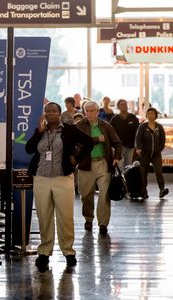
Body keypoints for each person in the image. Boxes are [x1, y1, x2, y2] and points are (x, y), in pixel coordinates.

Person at [25, 102, 93, 272]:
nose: (50, 113)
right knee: (44, 216)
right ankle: (44, 252)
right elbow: (28, 149)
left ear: (60, 113)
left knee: (65, 216)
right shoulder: (40, 131)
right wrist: (38, 133)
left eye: (54, 111)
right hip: (41, 178)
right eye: (47, 111)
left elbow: (88, 142)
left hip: (62, 179)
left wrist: (76, 158)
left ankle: (68, 252)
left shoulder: (69, 130)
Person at [77, 101, 122, 235]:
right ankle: (88, 218)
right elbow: (78, 143)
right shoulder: (79, 126)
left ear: (98, 112)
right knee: (86, 195)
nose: (89, 113)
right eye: (87, 111)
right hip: (85, 164)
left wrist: (117, 157)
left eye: (92, 111)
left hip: (103, 163)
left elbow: (118, 143)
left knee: (104, 194)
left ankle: (103, 223)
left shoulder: (106, 126)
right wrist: (97, 139)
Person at [135, 107, 169, 200]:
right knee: (143, 173)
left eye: (152, 114)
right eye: (149, 114)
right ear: (146, 115)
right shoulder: (142, 126)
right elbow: (138, 139)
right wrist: (139, 148)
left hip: (156, 154)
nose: (150, 115)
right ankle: (143, 192)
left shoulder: (159, 127)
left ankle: (162, 190)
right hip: (145, 154)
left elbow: (163, 140)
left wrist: (159, 149)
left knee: (159, 171)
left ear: (155, 116)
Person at [110, 99, 139, 171]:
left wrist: (137, 145)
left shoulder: (133, 117)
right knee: (119, 167)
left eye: (125, 104)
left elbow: (138, 132)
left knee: (128, 166)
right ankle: (120, 182)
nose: (124, 106)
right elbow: (110, 132)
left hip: (130, 146)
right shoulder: (114, 119)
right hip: (119, 147)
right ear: (118, 107)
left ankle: (127, 181)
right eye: (122, 104)